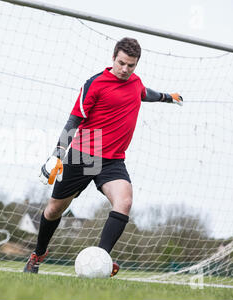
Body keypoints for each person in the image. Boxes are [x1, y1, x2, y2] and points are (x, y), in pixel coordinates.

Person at [23, 37, 183, 276]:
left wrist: (166, 96)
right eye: (121, 63)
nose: (125, 69)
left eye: (131, 66)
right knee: (54, 209)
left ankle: (100, 260)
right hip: (84, 153)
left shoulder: (135, 82)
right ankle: (38, 254)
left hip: (113, 159)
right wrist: (58, 154)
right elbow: (74, 119)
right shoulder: (95, 83)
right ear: (113, 58)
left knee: (125, 202)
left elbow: (143, 93)